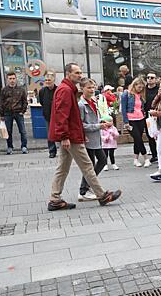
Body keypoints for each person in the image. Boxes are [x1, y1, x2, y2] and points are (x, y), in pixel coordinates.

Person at [47, 63, 121, 211]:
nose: (80, 75)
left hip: (70, 135)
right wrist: (64, 137)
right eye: (77, 73)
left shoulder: (67, 89)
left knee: (63, 168)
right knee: (87, 165)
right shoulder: (65, 90)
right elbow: (62, 115)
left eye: (81, 72)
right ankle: (102, 195)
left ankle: (55, 199)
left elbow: (66, 116)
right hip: (70, 136)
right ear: (68, 74)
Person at [77, 77, 110, 201]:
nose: (92, 90)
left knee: (102, 160)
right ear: (82, 89)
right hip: (88, 140)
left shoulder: (93, 102)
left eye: (93, 87)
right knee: (89, 166)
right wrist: (98, 126)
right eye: (89, 87)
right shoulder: (81, 105)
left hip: (96, 139)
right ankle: (83, 190)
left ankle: (88, 185)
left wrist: (101, 122)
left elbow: (94, 118)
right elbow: (81, 125)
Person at [121, 77, 150, 167]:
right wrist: (126, 122)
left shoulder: (141, 95)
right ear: (134, 85)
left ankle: (136, 159)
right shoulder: (126, 94)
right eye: (139, 87)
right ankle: (146, 158)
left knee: (138, 140)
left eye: (142, 88)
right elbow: (123, 109)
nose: (140, 89)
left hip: (140, 119)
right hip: (131, 120)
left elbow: (142, 107)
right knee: (138, 138)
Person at [0, 72, 28, 154]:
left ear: (16, 79)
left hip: (18, 113)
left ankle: (24, 146)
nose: (12, 80)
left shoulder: (21, 90)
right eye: (10, 79)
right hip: (7, 113)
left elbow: (25, 102)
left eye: (13, 78)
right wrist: (1, 114)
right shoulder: (4, 90)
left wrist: (23, 111)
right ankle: (10, 147)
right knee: (8, 131)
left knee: (23, 131)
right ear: (7, 80)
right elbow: (1, 103)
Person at [39, 70, 58, 158]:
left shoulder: (58, 90)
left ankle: (64, 150)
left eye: (49, 80)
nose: (47, 82)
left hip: (58, 116)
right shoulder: (42, 91)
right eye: (46, 80)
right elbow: (42, 102)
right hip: (47, 116)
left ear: (54, 80)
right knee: (49, 134)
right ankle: (52, 151)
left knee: (61, 133)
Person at [143, 72, 159, 163]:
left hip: (157, 114)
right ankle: (154, 154)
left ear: (155, 79)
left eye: (152, 77)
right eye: (148, 77)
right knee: (150, 134)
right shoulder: (144, 90)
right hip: (147, 115)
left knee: (159, 134)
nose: (149, 79)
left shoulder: (158, 89)